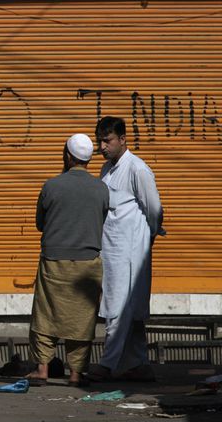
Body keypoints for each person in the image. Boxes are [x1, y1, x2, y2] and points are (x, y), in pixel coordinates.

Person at [26, 134, 109, 387]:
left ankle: (42, 369)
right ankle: (75, 373)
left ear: (68, 156)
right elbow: (101, 220)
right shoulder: (102, 188)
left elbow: (40, 224)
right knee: (82, 319)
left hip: (54, 261)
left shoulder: (51, 186)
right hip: (88, 263)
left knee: (45, 315)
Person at [88, 116, 164, 382]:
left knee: (118, 307)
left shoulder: (138, 169)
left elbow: (154, 209)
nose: (102, 146)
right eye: (100, 141)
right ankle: (139, 364)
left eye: (107, 141)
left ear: (122, 139)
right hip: (111, 248)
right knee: (125, 308)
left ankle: (107, 364)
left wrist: (148, 236)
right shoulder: (106, 169)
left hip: (130, 250)